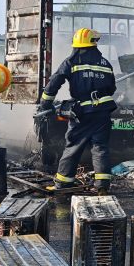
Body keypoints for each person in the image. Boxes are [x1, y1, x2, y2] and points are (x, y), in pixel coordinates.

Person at [39, 28, 117, 194]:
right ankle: (102, 185)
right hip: (103, 111)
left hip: (83, 112)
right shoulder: (105, 63)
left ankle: (62, 183)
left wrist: (45, 103)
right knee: (100, 147)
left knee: (74, 145)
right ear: (94, 43)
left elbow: (55, 81)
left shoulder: (71, 62)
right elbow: (112, 87)